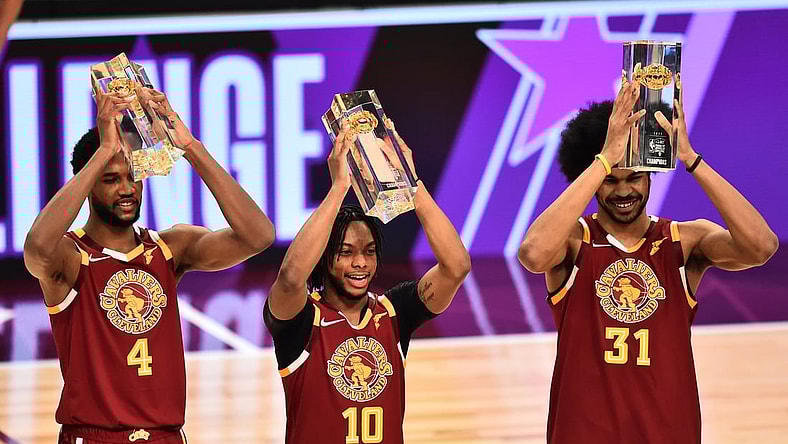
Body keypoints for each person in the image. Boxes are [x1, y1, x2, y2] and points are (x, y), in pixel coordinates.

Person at [517, 80, 778, 443]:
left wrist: (691, 158)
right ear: (591, 178)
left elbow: (761, 247)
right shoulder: (574, 242)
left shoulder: (684, 241)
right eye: (609, 180)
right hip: (583, 431)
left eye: (635, 177)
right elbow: (532, 253)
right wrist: (605, 157)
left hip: (668, 430)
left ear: (651, 174)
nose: (623, 191)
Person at [23, 87, 275, 443]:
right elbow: (35, 246)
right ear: (87, 184)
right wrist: (105, 150)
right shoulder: (69, 256)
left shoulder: (170, 248)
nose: (127, 189)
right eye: (111, 179)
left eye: (133, 177)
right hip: (95, 436)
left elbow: (258, 235)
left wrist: (191, 148)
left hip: (166, 435)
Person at [264, 119, 471, 443]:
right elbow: (291, 277)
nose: (360, 262)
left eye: (369, 251)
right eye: (345, 252)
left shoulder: (394, 312)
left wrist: (412, 184)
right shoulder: (301, 320)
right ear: (325, 257)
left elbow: (456, 267)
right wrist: (338, 188)